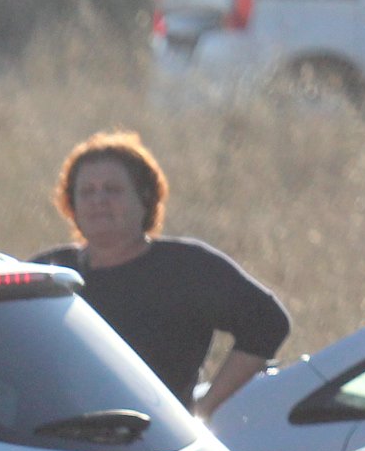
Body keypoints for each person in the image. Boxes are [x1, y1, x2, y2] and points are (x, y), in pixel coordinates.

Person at [33, 132, 290, 416]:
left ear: (145, 198)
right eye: (87, 192)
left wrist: (203, 410)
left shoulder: (186, 267)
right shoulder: (51, 272)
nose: (99, 200)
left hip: (150, 435)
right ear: (71, 204)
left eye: (112, 190)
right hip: (51, 433)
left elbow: (268, 322)